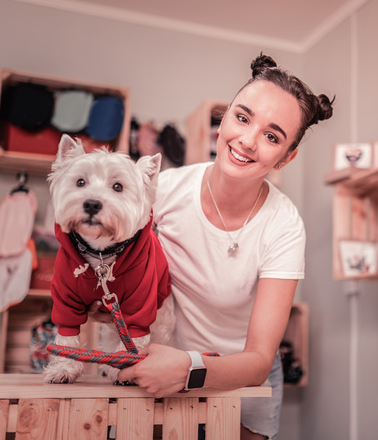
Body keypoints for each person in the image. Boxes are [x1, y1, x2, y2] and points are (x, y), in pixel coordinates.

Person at [116, 53, 333, 439]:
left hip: (241, 377)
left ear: (287, 157)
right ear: (226, 116)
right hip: (164, 364)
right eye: (242, 117)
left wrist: (188, 369)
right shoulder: (164, 193)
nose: (247, 141)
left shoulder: (283, 226)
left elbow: (259, 360)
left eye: (272, 136)